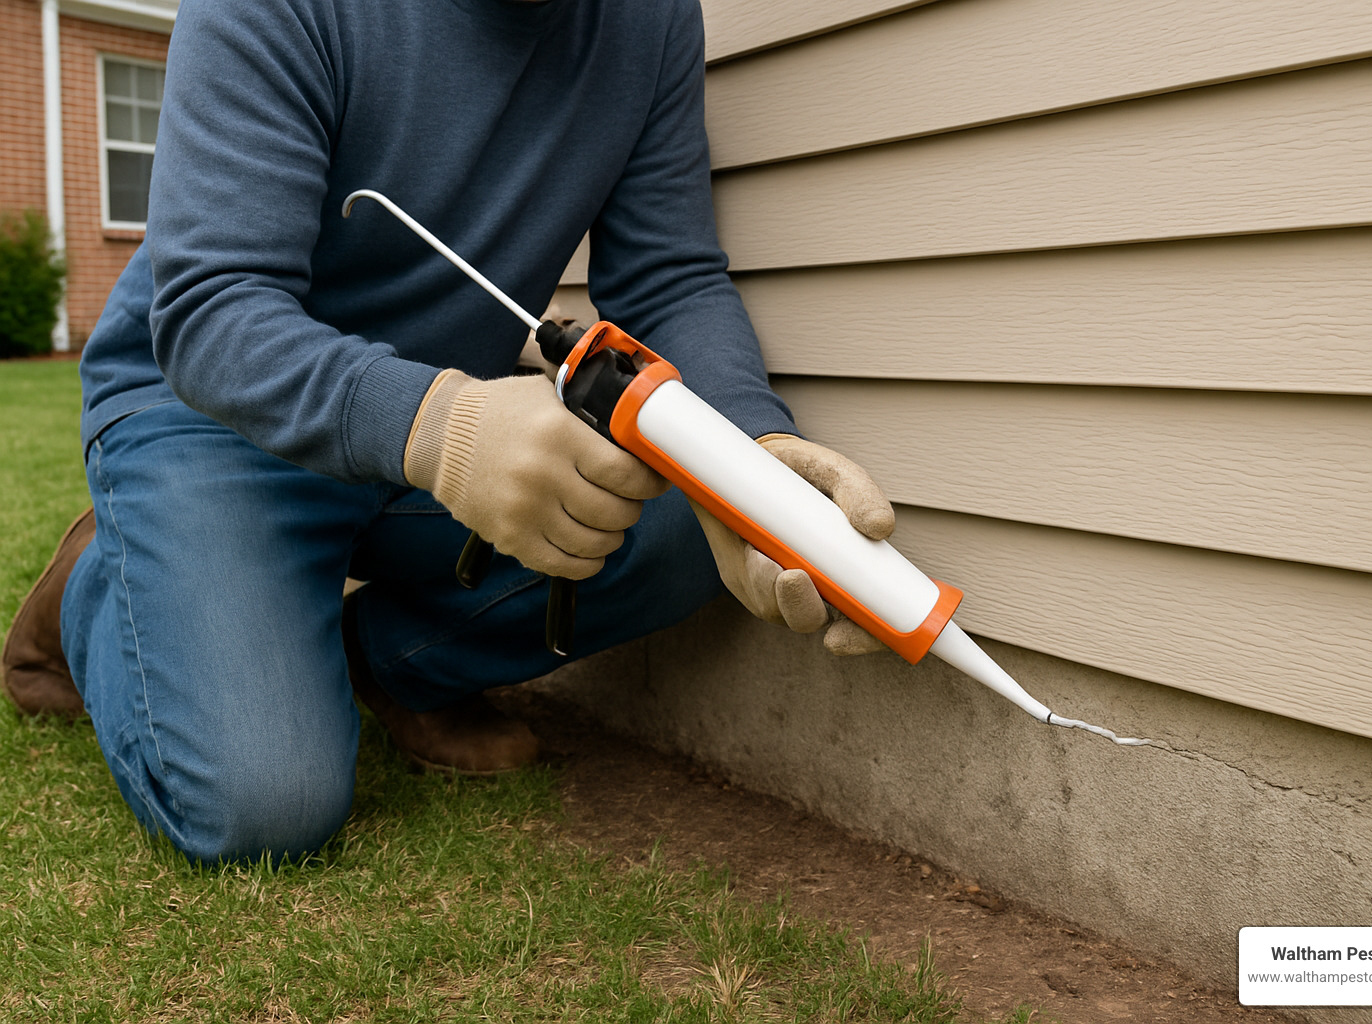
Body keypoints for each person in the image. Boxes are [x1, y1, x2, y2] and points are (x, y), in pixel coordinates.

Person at [0, 0, 890, 865]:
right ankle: (103, 585)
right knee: (261, 807)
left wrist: (754, 463)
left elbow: (669, 279)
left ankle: (388, 664)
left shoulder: (651, 18)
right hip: (218, 414)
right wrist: (444, 432)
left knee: (690, 523)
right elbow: (213, 310)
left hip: (450, 405)